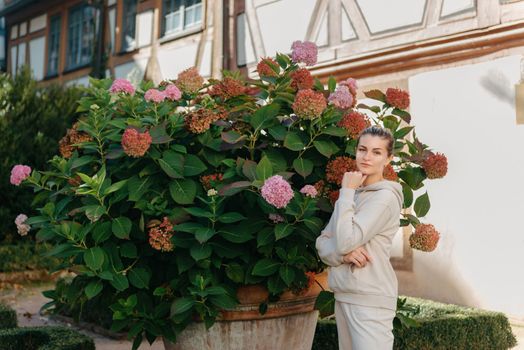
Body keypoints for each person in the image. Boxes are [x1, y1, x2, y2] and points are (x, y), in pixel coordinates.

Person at [315, 125, 404, 349]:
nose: (366, 157)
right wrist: (342, 256)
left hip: (370, 300)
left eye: (376, 152)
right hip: (344, 295)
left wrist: (345, 192)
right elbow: (322, 242)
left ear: (388, 158)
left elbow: (346, 240)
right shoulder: (352, 194)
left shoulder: (384, 198)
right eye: (362, 149)